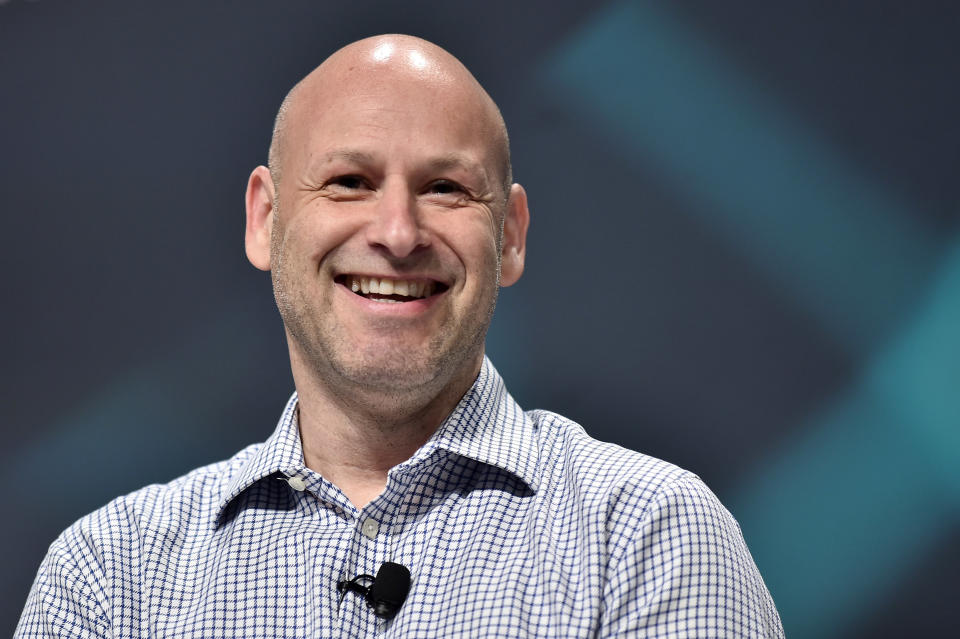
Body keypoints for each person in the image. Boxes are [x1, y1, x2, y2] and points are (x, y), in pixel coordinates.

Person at [16, 35, 784, 637]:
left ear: (510, 235)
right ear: (265, 219)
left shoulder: (649, 538)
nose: (397, 232)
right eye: (349, 180)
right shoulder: (112, 576)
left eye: (445, 188)